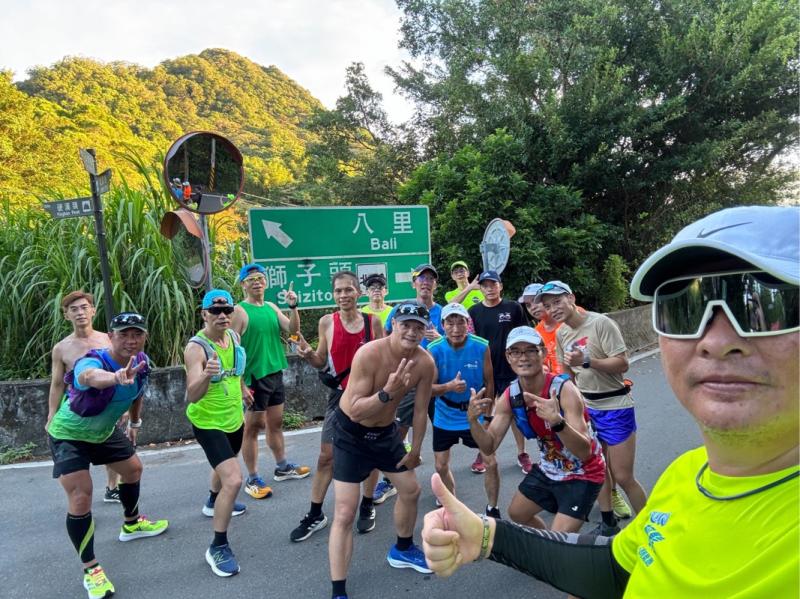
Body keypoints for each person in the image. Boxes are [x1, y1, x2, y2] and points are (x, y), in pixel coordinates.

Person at [422, 205, 799, 598]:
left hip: (610, 408)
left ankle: (604, 512)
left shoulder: (594, 333)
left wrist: (560, 412)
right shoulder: (685, 474)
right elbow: (614, 569)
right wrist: (487, 536)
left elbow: (603, 398)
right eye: (683, 310)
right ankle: (606, 517)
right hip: (578, 423)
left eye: (767, 308)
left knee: (618, 474)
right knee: (585, 490)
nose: (716, 342)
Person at [47, 311, 168, 599]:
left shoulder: (141, 363)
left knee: (133, 469)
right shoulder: (93, 360)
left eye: (137, 334)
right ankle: (91, 569)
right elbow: (88, 377)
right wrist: (114, 377)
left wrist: (135, 423)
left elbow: (138, 393)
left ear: (145, 337)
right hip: (69, 435)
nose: (131, 340)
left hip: (102, 432)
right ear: (110, 336)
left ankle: (132, 523)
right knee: (81, 496)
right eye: (124, 334)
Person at [329, 302, 437, 599]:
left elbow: (420, 410)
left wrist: (415, 449)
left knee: (411, 490)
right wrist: (388, 392)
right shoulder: (370, 354)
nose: (412, 332)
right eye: (406, 325)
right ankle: (338, 590)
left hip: (386, 433)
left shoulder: (425, 363)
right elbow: (354, 410)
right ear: (393, 325)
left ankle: (403, 549)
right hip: (351, 434)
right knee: (345, 512)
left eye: (418, 327)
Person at [467, 326, 605, 531]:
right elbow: (489, 446)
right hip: (550, 469)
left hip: (583, 473)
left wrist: (557, 421)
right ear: (508, 357)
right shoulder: (511, 395)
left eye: (531, 350)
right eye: (516, 351)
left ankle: (556, 546)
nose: (523, 358)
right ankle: (546, 543)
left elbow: (584, 452)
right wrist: (472, 421)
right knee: (517, 513)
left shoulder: (564, 390)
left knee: (558, 539)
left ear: (543, 353)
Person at [537, 280, 647, 533]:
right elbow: (567, 373)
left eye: (557, 301)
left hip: (615, 406)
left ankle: (650, 527)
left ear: (571, 298)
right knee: (597, 468)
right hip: (587, 407)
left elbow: (622, 363)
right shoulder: (562, 333)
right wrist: (565, 401)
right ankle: (608, 522)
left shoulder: (600, 323)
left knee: (623, 475)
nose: (553, 309)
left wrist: (587, 361)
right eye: (548, 306)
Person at [290, 271, 384, 542]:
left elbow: (383, 358)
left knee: (370, 453)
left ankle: (367, 504)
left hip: (369, 397)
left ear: (358, 293)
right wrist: (309, 354)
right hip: (339, 397)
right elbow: (321, 361)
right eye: (338, 291)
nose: (343, 295)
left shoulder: (373, 323)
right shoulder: (326, 322)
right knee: (326, 456)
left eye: (348, 290)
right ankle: (315, 514)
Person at [184, 290, 252, 577]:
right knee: (233, 479)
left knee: (225, 464)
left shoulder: (233, 337)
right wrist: (205, 375)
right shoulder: (196, 348)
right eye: (215, 311)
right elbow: (192, 395)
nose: (222, 315)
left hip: (234, 418)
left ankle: (213, 500)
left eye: (227, 310)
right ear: (204, 314)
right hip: (208, 422)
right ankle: (218, 546)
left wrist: (243, 389)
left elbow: (236, 373)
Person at [231, 263, 310, 500]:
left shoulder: (271, 307)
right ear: (243, 284)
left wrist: (293, 306)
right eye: (251, 279)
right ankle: (253, 477)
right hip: (253, 377)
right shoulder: (239, 311)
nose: (257, 282)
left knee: (275, 423)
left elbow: (292, 330)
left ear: (266, 282)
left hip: (275, 372)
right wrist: (240, 385)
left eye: (260, 278)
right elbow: (231, 350)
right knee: (252, 428)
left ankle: (282, 466)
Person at [374, 264, 445, 503]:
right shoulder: (401, 309)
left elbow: (456, 341)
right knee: (399, 429)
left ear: (435, 284)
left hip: (437, 380)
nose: (426, 282)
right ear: (414, 283)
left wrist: (441, 338)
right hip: (406, 379)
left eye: (430, 279)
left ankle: (443, 484)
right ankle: (389, 479)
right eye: (421, 278)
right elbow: (387, 339)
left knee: (441, 434)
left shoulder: (443, 312)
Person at [47, 290, 122, 504]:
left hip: (108, 404)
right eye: (74, 309)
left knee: (113, 446)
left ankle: (112, 487)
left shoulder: (108, 340)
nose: (80, 313)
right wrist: (51, 413)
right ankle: (79, 501)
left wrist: (124, 408)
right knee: (76, 457)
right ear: (66, 315)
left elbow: (121, 374)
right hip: (76, 409)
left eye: (84, 308)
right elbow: (57, 384)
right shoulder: (61, 348)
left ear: (93, 311)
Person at [427, 303, 498, 515]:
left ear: (468, 324)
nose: (456, 329)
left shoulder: (481, 346)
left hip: (474, 414)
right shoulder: (434, 349)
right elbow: (428, 389)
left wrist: (488, 415)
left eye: (461, 323)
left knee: (491, 462)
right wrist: (449, 387)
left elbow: (490, 381)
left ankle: (493, 508)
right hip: (445, 413)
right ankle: (452, 503)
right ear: (442, 325)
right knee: (440, 465)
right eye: (450, 323)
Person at [468, 270, 530, 475]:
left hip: (511, 370)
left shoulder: (513, 308)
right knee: (486, 412)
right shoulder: (474, 311)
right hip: (486, 371)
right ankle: (483, 453)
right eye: (485, 285)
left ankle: (522, 453)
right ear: (480, 288)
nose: (489, 289)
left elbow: (525, 335)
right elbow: (471, 341)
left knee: (516, 413)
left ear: (500, 286)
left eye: (493, 284)